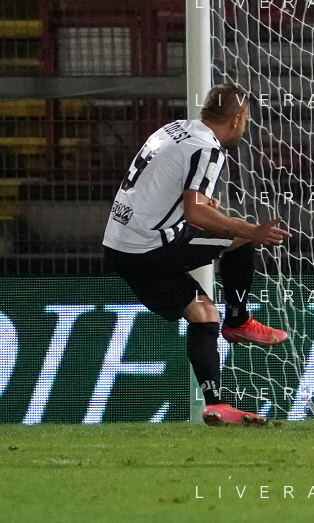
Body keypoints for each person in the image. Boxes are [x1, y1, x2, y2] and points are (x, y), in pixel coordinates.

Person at [102, 82, 290, 426]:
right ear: (237, 119)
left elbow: (160, 188)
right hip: (149, 247)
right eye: (246, 120)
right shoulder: (209, 149)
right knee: (241, 237)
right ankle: (238, 321)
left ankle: (216, 405)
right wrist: (252, 230)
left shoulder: (174, 129)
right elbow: (195, 213)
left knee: (203, 313)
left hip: (120, 243)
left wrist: (198, 207)